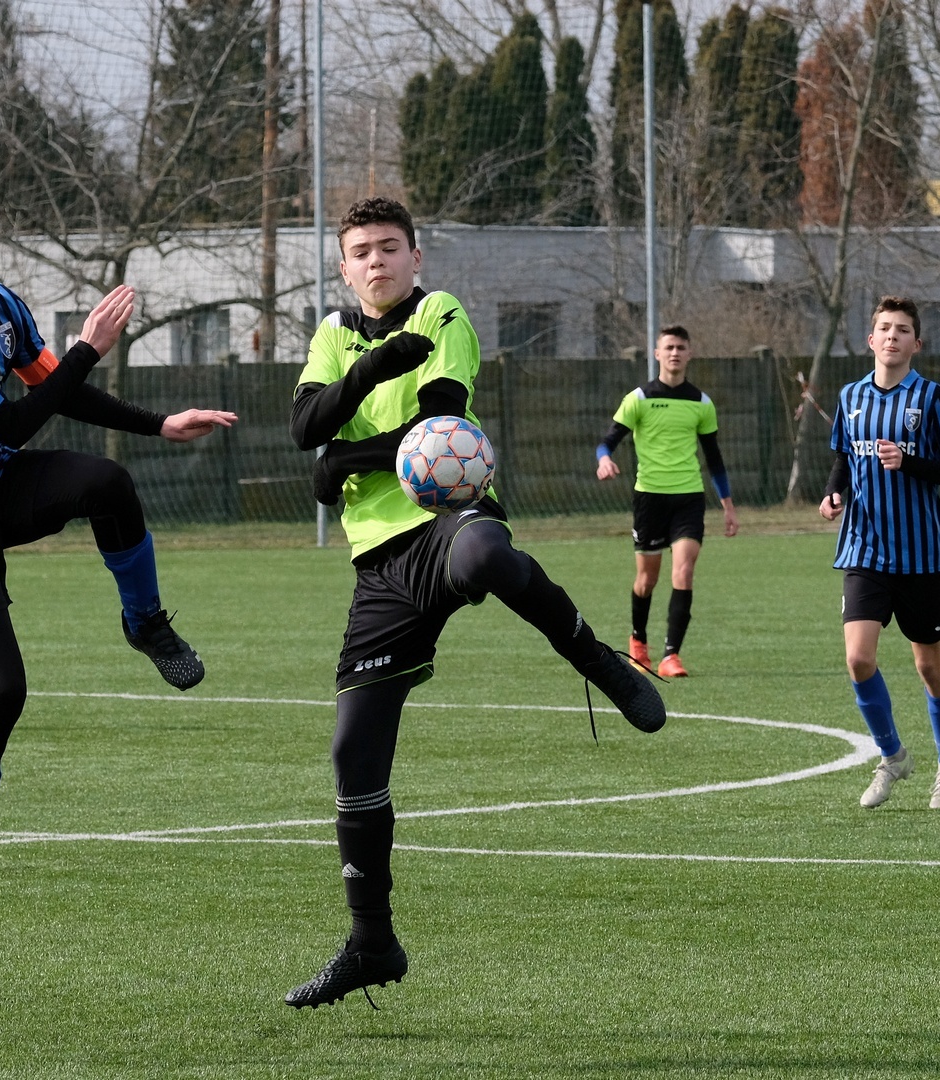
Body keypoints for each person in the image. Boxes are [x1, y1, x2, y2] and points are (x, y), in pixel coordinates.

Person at [283, 197, 665, 1010]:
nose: (377, 260)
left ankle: (596, 657)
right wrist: (366, 376)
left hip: (450, 516)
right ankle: (372, 943)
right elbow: (304, 424)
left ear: (416, 257)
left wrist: (344, 457)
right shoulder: (332, 334)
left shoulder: (440, 313)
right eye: (362, 251)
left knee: (487, 555)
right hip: (380, 566)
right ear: (344, 267)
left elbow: (438, 427)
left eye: (391, 247)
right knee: (352, 753)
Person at [0, 176, 237, 933]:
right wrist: (88, 348)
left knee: (108, 482)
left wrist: (158, 423)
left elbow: (55, 389)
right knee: (3, 691)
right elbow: (14, 424)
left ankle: (145, 624)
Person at [819, 296, 940, 810]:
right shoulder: (851, 396)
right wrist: (833, 493)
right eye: (884, 327)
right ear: (871, 339)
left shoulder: (931, 398)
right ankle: (892, 756)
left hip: (921, 554)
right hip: (864, 548)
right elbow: (844, 458)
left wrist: (910, 461)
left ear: (916, 343)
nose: (892, 335)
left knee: (929, 666)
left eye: (902, 329)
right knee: (858, 658)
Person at [594, 326, 738, 677]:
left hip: (688, 498)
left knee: (684, 571)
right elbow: (607, 442)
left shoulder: (701, 403)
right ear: (657, 353)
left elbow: (714, 458)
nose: (675, 353)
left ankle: (671, 655)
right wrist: (604, 460)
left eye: (681, 347)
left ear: (690, 354)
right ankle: (638, 643)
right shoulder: (639, 399)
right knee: (647, 579)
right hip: (649, 499)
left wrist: (728, 506)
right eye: (669, 347)